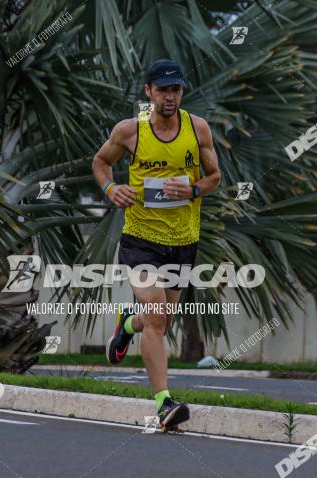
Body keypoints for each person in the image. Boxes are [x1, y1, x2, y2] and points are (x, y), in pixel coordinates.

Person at [91, 58, 222, 430]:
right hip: (141, 239)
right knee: (158, 314)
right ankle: (164, 404)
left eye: (176, 89)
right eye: (163, 89)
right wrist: (110, 187)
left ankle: (127, 325)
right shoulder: (130, 131)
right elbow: (100, 162)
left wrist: (194, 188)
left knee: (158, 322)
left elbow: (215, 177)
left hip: (183, 241)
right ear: (148, 91)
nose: (170, 96)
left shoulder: (198, 130)